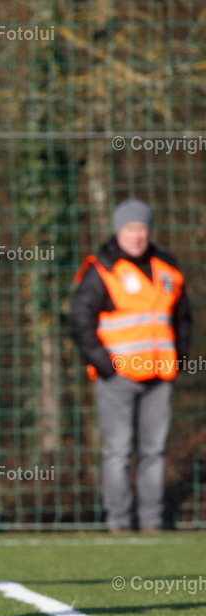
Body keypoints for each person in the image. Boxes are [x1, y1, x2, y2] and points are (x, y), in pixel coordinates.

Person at [71, 198, 191, 533]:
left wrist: (178, 359)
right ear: (118, 230)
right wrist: (106, 366)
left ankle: (153, 523)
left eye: (142, 228)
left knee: (154, 451)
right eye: (130, 228)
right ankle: (119, 524)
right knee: (119, 451)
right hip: (118, 377)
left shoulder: (168, 267)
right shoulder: (101, 268)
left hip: (160, 376)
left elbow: (183, 319)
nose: (136, 235)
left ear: (149, 231)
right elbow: (80, 322)